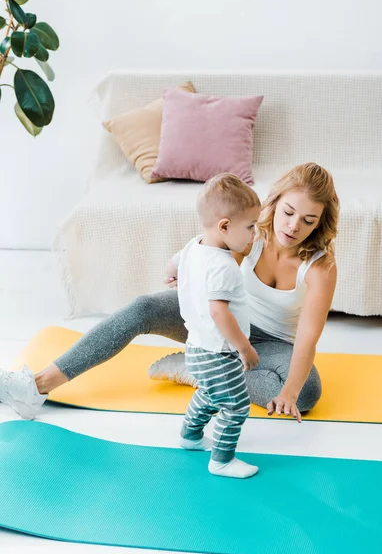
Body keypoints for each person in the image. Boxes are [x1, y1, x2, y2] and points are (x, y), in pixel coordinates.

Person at [0, 163, 339, 425]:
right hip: (223, 323)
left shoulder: (320, 267)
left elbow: (307, 340)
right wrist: (188, 274)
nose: (294, 227)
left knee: (306, 393)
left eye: (308, 220)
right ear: (275, 203)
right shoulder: (251, 234)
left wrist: (290, 393)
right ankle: (37, 385)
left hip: (273, 345)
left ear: (320, 223)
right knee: (143, 308)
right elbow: (208, 252)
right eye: (289, 213)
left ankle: (198, 370)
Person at [174, 173, 261, 479]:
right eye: (250, 227)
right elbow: (219, 313)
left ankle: (190, 435)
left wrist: (172, 272)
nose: (255, 234)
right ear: (224, 226)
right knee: (236, 405)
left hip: (196, 347)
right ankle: (222, 460)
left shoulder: (193, 247)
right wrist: (245, 348)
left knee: (211, 395)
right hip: (219, 352)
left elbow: (174, 262)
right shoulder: (223, 266)